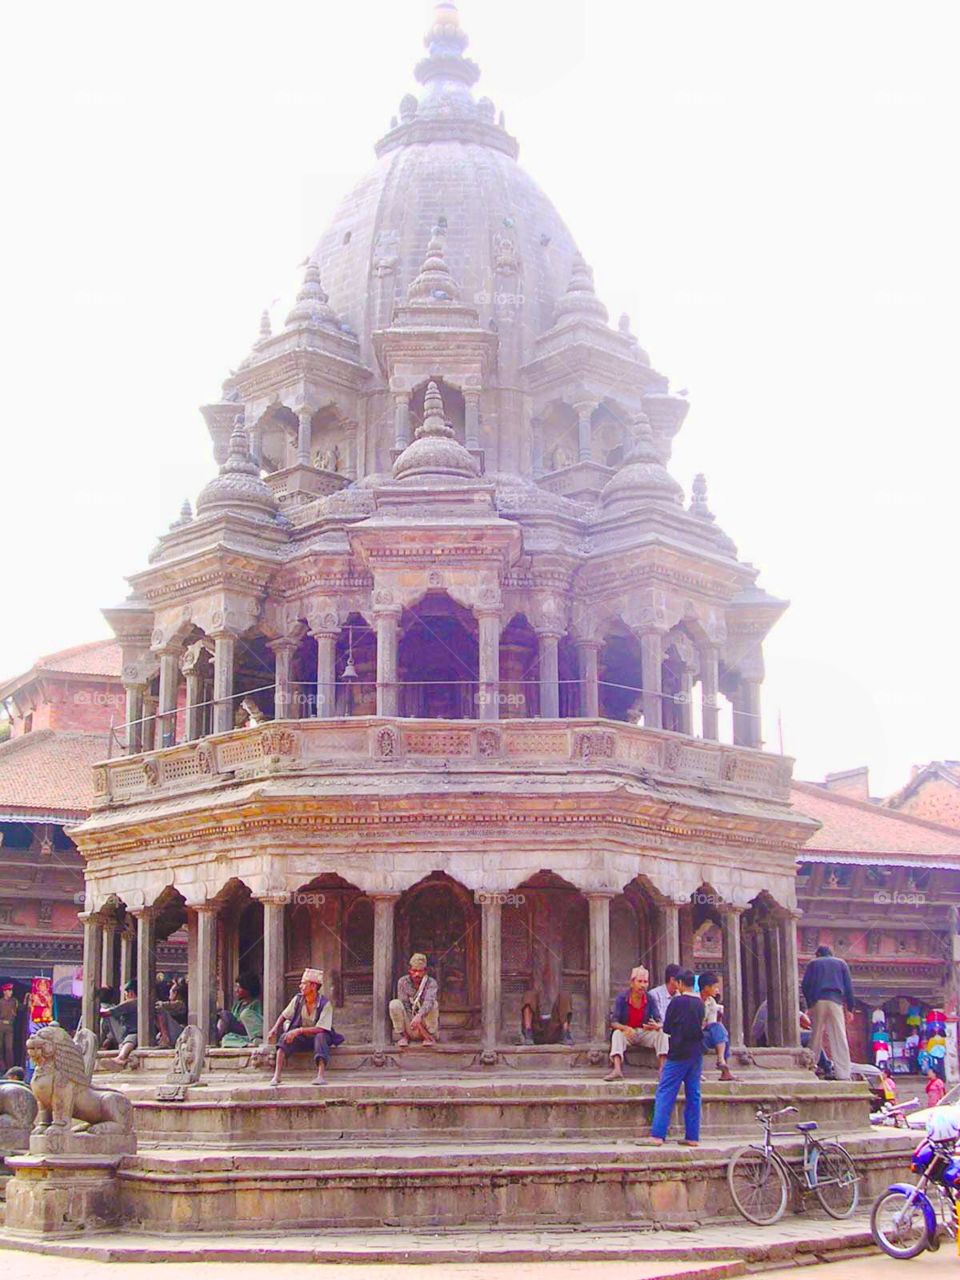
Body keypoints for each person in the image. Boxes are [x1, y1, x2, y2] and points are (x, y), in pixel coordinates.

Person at [648, 970, 704, 1146]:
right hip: (696, 1052)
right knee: (693, 1094)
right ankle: (692, 1136)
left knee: (665, 1091)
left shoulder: (677, 1002)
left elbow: (667, 1028)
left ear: (680, 983)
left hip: (679, 1052)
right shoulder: (700, 1003)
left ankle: (657, 1134)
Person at [266, 968, 342, 1086]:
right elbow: (284, 1015)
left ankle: (320, 1075)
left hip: (317, 1037)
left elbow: (321, 1028)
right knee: (284, 1038)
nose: (300, 986)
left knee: (321, 1036)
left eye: (303, 983)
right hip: (302, 1038)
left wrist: (298, 1031)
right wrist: (274, 1029)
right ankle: (277, 1076)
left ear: (313, 986)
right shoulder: (298, 999)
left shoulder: (325, 1003)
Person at [801, 945, 855, 1082]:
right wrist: (850, 1009)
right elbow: (849, 987)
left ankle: (810, 1068)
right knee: (839, 1036)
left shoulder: (813, 963)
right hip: (836, 1001)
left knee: (816, 1036)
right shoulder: (841, 963)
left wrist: (810, 1004)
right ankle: (843, 1073)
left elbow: (805, 985)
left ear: (818, 954)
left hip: (818, 1001)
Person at [604, 965, 668, 1080]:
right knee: (617, 1034)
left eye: (645, 982)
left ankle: (663, 1070)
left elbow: (659, 1020)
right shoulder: (622, 998)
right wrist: (625, 1028)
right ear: (632, 983)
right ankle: (617, 1069)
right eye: (639, 981)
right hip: (628, 1033)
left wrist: (655, 1025)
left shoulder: (650, 999)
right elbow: (613, 1022)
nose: (642, 985)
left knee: (662, 1034)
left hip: (644, 1032)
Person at [389, 953, 440, 1047]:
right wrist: (414, 1021)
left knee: (434, 1004)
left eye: (420, 971)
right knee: (395, 1004)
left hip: (425, 1025)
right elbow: (404, 1004)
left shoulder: (431, 983)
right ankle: (404, 1037)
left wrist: (419, 1016)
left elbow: (429, 1002)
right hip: (410, 1025)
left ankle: (428, 1037)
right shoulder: (403, 982)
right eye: (414, 971)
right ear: (409, 970)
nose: (417, 974)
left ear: (425, 971)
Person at [699, 971, 734, 1082]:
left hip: (705, 1032)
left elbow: (711, 1024)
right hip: (693, 1033)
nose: (717, 990)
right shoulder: (694, 1000)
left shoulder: (711, 1002)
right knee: (721, 1034)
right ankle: (720, 1061)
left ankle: (722, 1062)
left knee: (720, 1031)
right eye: (714, 987)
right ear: (706, 987)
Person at [217, 973, 264, 1047]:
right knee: (226, 1039)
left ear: (248, 988)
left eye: (239, 987)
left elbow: (256, 1023)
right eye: (235, 987)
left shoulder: (256, 1003)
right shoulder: (237, 1005)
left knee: (225, 1014)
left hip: (249, 1032)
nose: (236, 990)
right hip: (240, 1035)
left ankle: (256, 1041)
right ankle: (247, 1044)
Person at [101, 980, 139, 1067]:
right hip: (129, 1035)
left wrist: (98, 1009)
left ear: (130, 993)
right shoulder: (140, 1002)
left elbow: (108, 1013)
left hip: (133, 1034)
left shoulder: (131, 1003)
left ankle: (121, 1058)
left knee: (131, 1039)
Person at [155, 976, 188, 1048]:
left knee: (160, 1011)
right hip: (176, 1030)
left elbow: (161, 1005)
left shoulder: (179, 1004)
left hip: (181, 1032)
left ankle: (165, 1039)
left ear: (175, 993)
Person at [0, 983, 19, 1071]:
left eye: (11, 990)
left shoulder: (14, 1001)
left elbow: (20, 1009)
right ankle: (2, 1067)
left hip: (10, 1027)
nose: (10, 992)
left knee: (9, 1048)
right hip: (1, 1025)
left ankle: (10, 1068)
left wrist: (28, 1001)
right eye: (8, 990)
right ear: (4, 992)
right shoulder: (1, 1002)